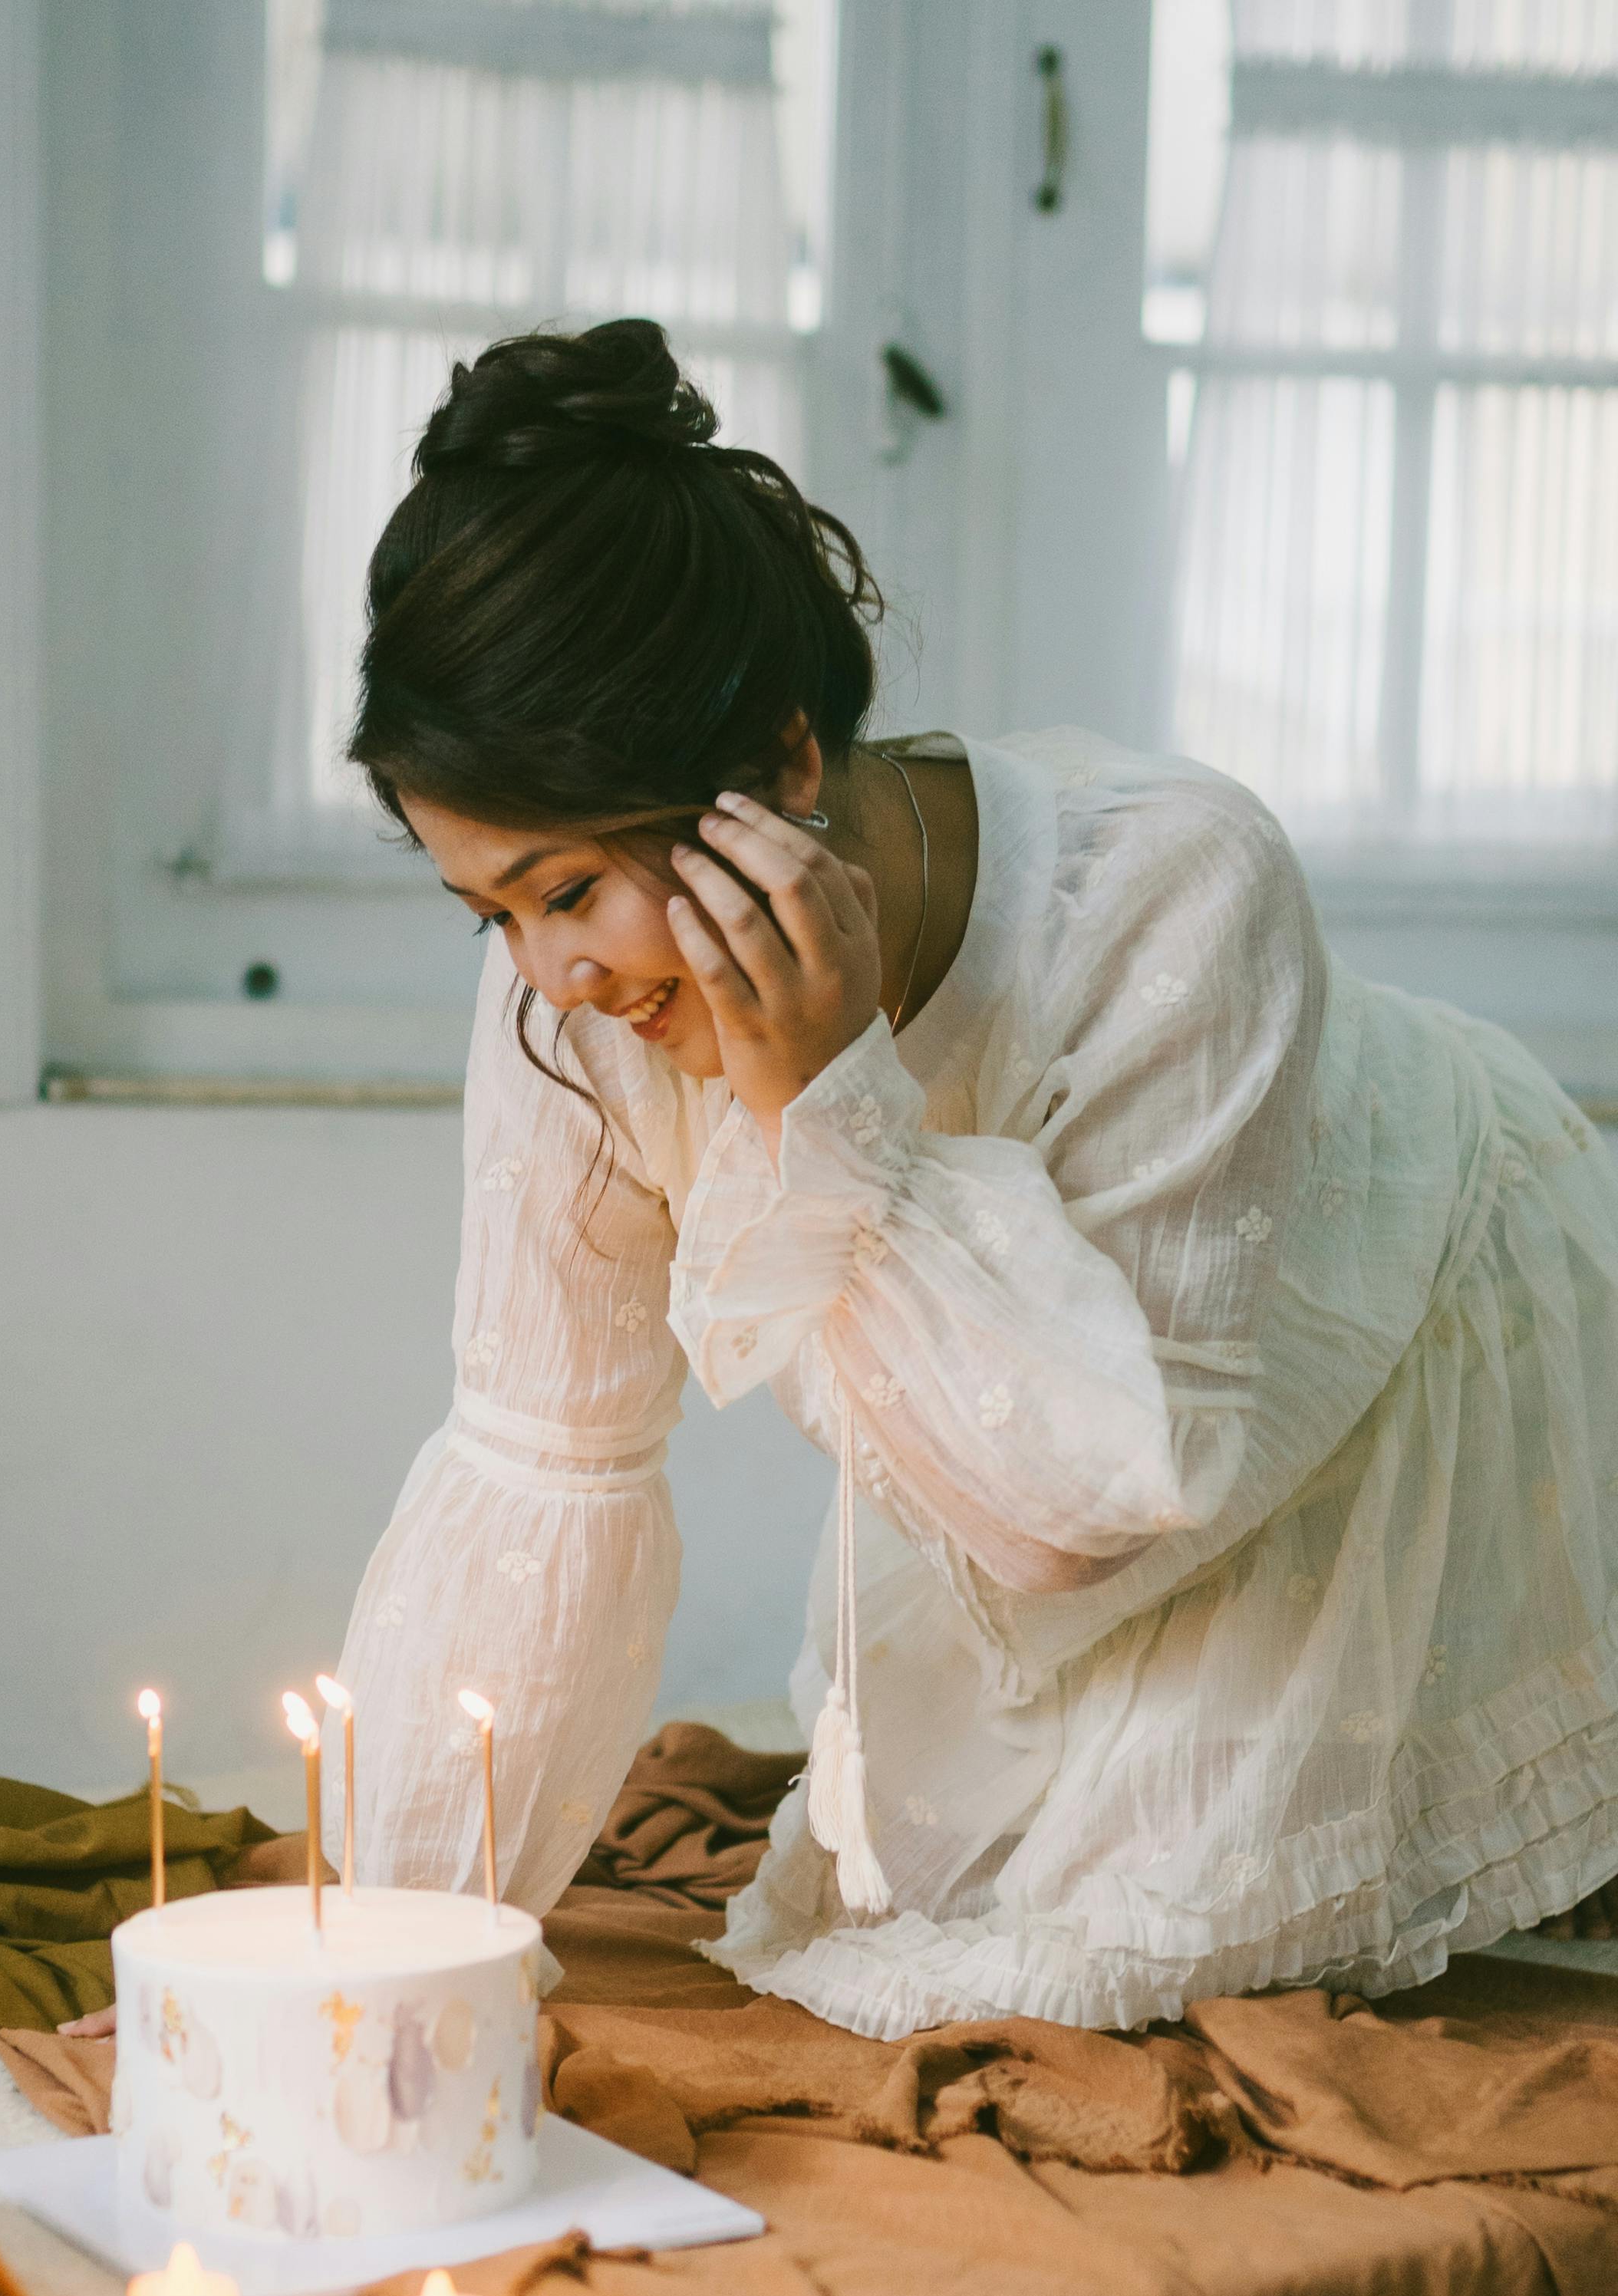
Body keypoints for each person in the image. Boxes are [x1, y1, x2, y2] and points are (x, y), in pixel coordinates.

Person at [321, 315, 1618, 2036]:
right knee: (916, 1899)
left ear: (784, 766)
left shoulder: (1171, 886)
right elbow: (543, 1468)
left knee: (1184, 1925)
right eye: (486, 910)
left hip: (1398, 1319)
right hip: (1045, 1445)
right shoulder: (573, 1015)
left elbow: (1088, 1506)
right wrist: (386, 1940)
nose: (547, 974)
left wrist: (824, 1098)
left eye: (567, 891)